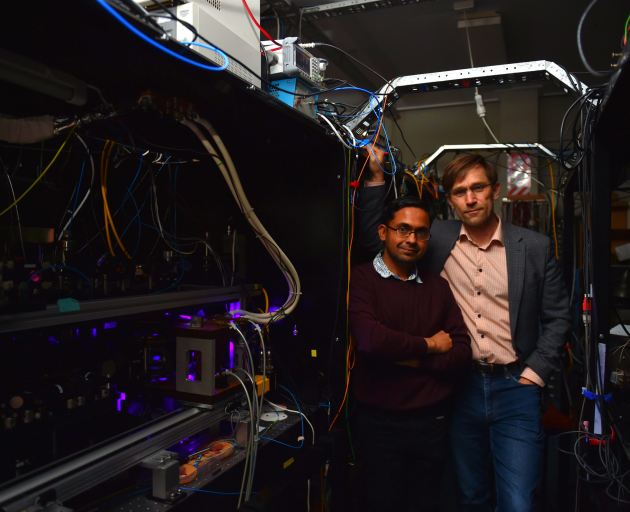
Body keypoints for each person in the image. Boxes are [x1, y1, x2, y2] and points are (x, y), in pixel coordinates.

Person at [357, 149, 572, 512]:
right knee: (468, 497)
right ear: (451, 200)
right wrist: (376, 177)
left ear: (495, 190)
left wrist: (534, 376)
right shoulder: (434, 237)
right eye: (460, 191)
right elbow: (375, 242)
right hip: (460, 388)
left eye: (478, 188)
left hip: (516, 387)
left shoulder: (534, 247)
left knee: (519, 502)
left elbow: (559, 318)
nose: (470, 199)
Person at [349, 195, 472, 512]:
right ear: (382, 232)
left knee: (426, 504)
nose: (412, 239)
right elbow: (370, 341)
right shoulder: (361, 279)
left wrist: (410, 358)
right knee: (380, 504)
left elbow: (460, 353)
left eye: (420, 232)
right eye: (403, 229)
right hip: (378, 425)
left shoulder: (437, 286)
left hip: (431, 423)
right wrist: (430, 345)